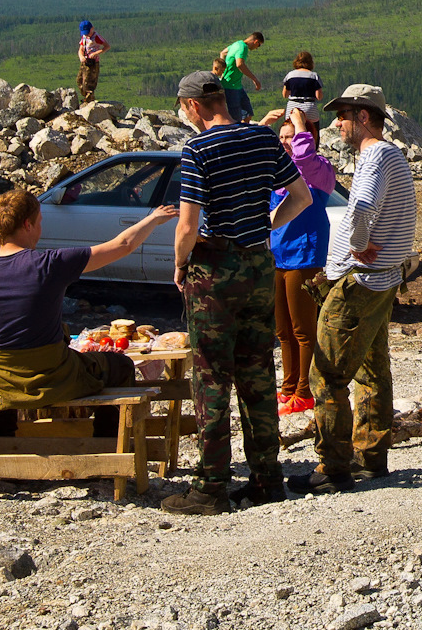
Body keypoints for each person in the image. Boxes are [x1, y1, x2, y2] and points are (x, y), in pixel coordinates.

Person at [165, 71, 313, 515]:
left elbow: (188, 225)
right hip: (257, 263)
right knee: (257, 370)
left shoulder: (197, 149)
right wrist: (264, 228)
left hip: (213, 268)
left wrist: (178, 264)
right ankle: (267, 477)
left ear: (192, 106)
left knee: (211, 375)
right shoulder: (263, 139)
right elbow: (301, 196)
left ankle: (212, 486)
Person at [0, 189, 177, 431]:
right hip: (54, 377)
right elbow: (123, 245)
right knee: (120, 366)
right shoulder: (50, 264)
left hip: (1, 380)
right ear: (27, 224)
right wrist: (153, 219)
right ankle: (106, 442)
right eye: (40, 222)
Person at [307, 84, 418, 493]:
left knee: (327, 373)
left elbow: (362, 207)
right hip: (383, 280)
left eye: (343, 116)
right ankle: (371, 457)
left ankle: (332, 468)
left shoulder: (374, 157)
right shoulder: (392, 156)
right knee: (371, 369)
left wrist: (356, 246)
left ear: (364, 117)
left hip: (360, 282)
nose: (337, 124)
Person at [269, 108, 336, 417]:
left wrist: (299, 125)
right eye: (281, 138)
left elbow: (303, 161)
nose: (285, 143)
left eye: (290, 138)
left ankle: (304, 391)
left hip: (305, 256)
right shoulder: (275, 173)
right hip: (279, 256)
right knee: (283, 329)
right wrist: (260, 127)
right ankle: (288, 387)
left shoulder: (318, 169)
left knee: (303, 329)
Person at [214, 31, 266, 123]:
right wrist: (254, 79)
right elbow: (239, 64)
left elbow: (223, 53)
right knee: (235, 117)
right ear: (256, 41)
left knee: (248, 113)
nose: (257, 48)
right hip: (230, 86)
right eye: (259, 45)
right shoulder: (243, 47)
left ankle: (243, 132)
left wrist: (222, 69)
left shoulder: (237, 44)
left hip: (237, 85)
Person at [281, 52, 324, 126]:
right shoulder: (314, 76)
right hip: (309, 107)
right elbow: (319, 96)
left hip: (293, 106)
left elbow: (285, 94)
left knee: (291, 131)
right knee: (313, 131)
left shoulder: (290, 75)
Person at [77, 21, 110, 104]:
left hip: (93, 63)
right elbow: (80, 49)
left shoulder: (96, 37)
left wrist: (96, 53)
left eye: (88, 32)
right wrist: (81, 57)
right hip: (85, 62)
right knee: (80, 80)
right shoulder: (84, 37)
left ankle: (89, 99)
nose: (87, 34)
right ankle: (85, 96)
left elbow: (107, 46)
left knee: (89, 82)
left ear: (92, 29)